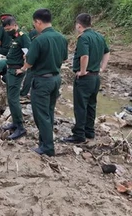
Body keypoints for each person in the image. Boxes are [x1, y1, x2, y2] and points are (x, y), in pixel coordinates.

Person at [19, 9, 68, 156]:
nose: (35, 27)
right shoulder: (61, 38)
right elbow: (64, 59)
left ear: (38, 22)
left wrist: (24, 64)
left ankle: (47, 147)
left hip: (42, 81)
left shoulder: (39, 40)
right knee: (49, 112)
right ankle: (44, 142)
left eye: (35, 24)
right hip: (56, 79)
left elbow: (29, 63)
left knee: (41, 114)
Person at [63, 13, 110, 144]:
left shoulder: (83, 38)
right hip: (95, 77)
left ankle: (79, 134)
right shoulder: (99, 36)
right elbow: (107, 52)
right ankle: (90, 131)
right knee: (91, 105)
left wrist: (82, 71)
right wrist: (102, 68)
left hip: (85, 78)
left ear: (79, 25)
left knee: (80, 106)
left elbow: (84, 56)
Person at [0, 16, 31, 140]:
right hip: (11, 70)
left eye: (9, 29)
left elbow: (29, 53)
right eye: (5, 30)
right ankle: (14, 123)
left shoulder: (23, 36)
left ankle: (20, 127)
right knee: (10, 98)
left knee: (13, 99)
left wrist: (23, 68)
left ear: (15, 25)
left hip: (16, 71)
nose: (7, 31)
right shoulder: (15, 37)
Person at [20, 28, 39, 99]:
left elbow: (31, 46)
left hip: (34, 58)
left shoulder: (33, 34)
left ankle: (24, 92)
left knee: (29, 74)